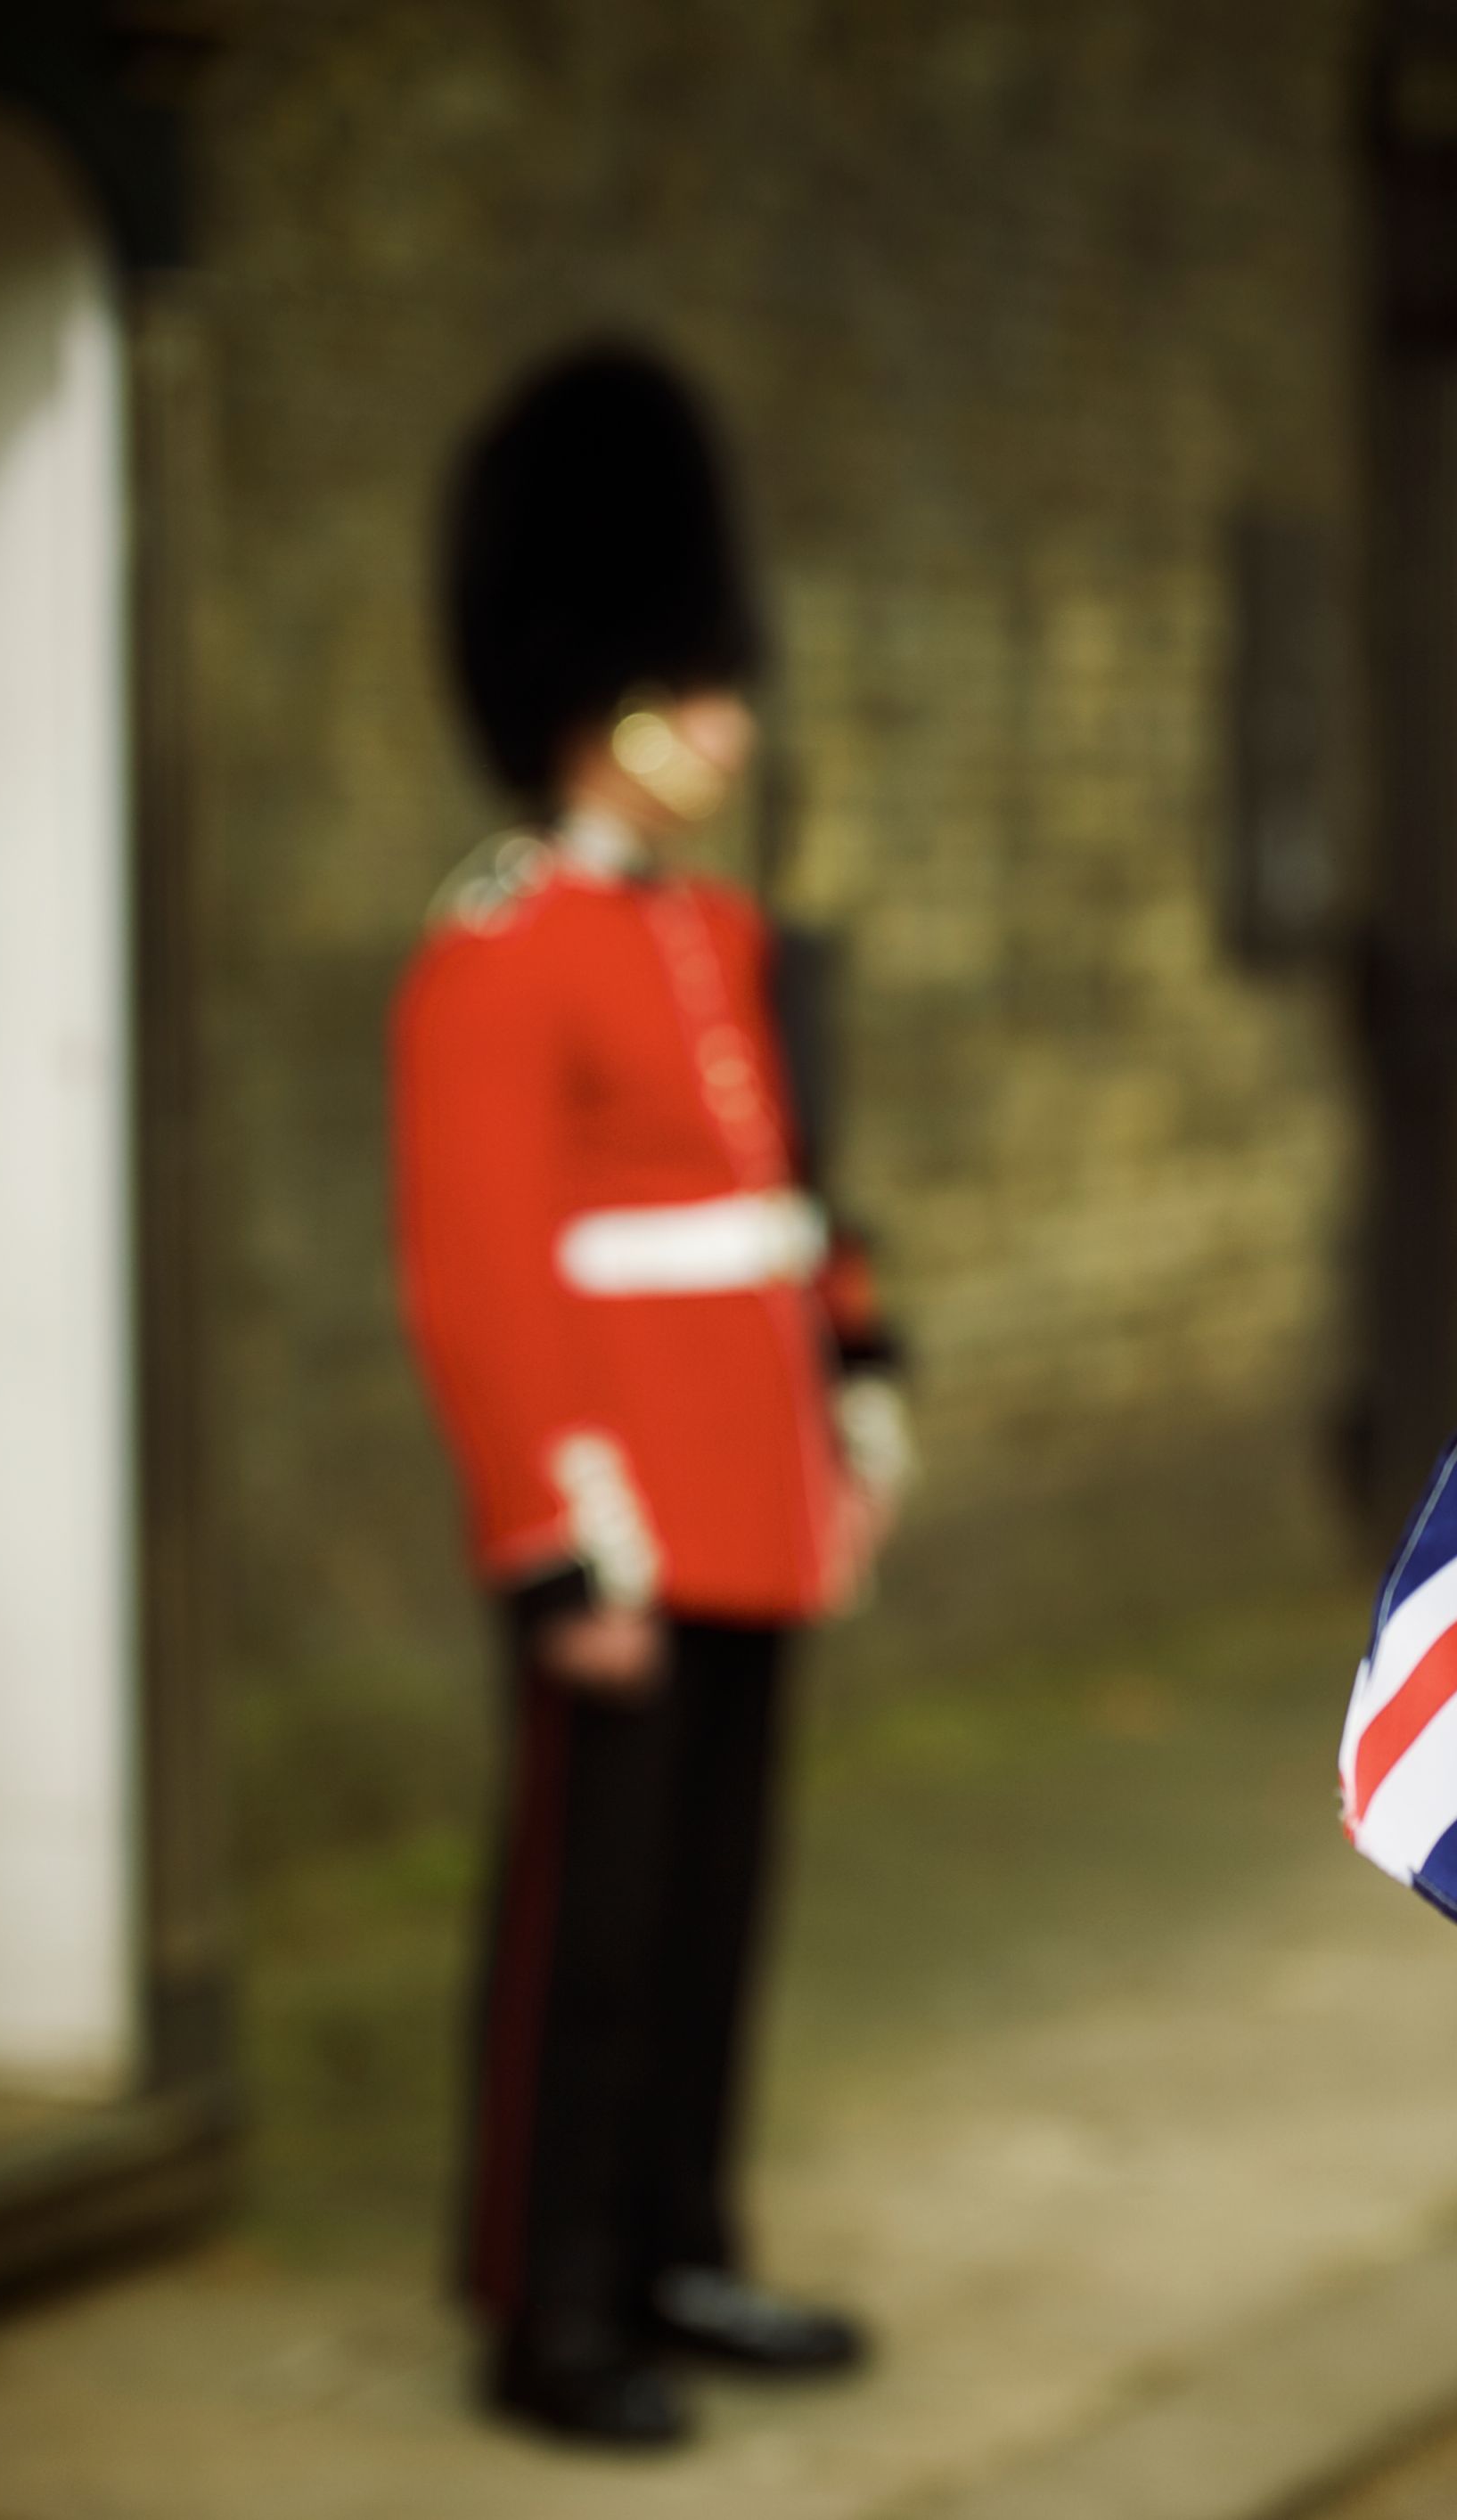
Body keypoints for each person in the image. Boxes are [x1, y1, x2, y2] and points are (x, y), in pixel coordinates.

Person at [392, 346, 912, 2448]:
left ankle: (683, 2243)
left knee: (712, 1914)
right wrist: (554, 1538)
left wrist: (858, 1395)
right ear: (588, 689)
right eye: (691, 678)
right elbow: (480, 1282)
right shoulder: (499, 948)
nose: (730, 718)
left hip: (755, 1489)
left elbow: (785, 1196)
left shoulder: (719, 932)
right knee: (583, 1939)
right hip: (623, 1502)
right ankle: (550, 2300)